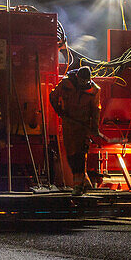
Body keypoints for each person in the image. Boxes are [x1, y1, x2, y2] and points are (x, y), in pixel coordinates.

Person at [49, 66, 102, 197]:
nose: (84, 84)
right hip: (69, 125)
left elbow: (96, 110)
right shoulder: (66, 84)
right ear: (77, 78)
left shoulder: (94, 91)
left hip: (83, 127)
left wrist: (94, 128)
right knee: (71, 155)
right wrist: (60, 112)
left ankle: (78, 186)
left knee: (80, 155)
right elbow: (53, 96)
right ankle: (82, 182)